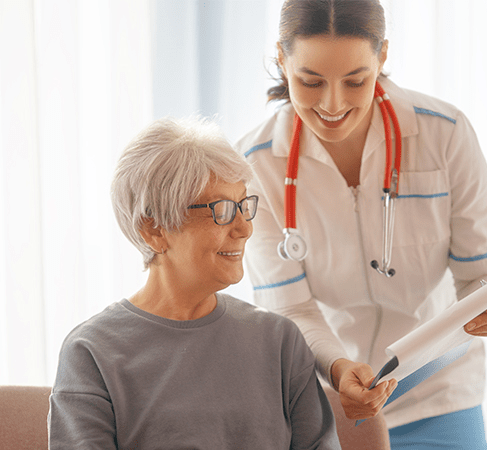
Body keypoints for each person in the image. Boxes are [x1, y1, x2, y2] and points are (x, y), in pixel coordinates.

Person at [236, 1, 487, 449]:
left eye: (356, 80)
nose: (333, 104)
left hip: (439, 392)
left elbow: (480, 277)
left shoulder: (444, 134)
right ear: (281, 59)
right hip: (332, 401)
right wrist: (337, 369)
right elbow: (292, 309)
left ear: (382, 57)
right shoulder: (255, 164)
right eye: (310, 81)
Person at [48, 116, 341, 450]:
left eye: (245, 205)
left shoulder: (280, 342)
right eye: (222, 210)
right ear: (154, 229)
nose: (244, 228)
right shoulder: (91, 352)